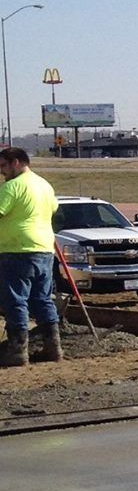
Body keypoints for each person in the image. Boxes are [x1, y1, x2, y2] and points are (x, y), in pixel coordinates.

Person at [0, 147, 61, 368]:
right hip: (44, 249)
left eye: (3, 166)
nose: (2, 172)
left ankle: (18, 351)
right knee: (43, 299)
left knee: (16, 299)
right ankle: (53, 347)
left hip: (17, 250)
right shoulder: (45, 185)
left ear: (16, 162)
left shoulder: (11, 187)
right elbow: (53, 209)